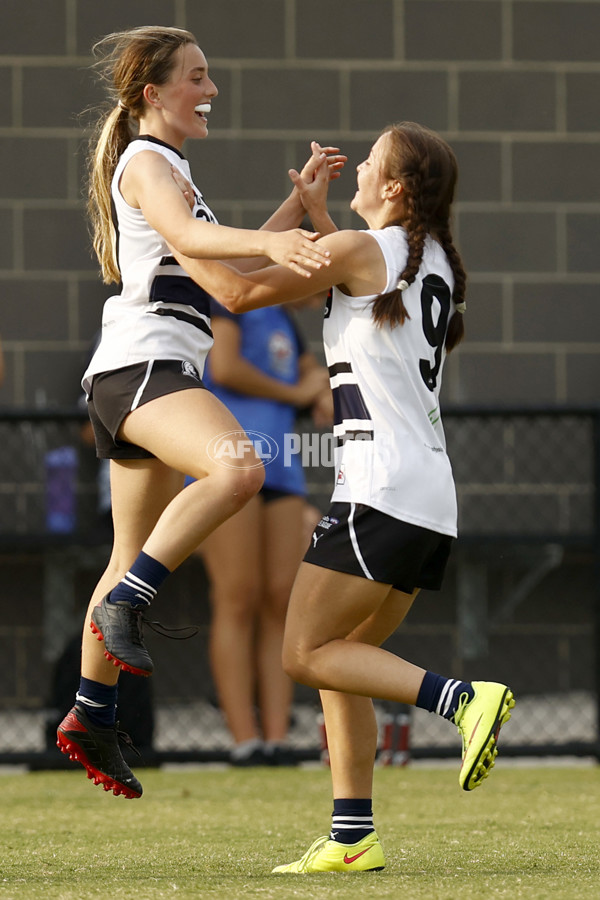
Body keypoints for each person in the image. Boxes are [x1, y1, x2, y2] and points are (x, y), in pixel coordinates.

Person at [169, 121, 516, 873]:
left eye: (371, 160)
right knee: (343, 657)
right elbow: (361, 287)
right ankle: (353, 835)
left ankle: (461, 700)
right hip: (428, 497)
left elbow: (238, 290)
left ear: (394, 188)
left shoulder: (366, 251)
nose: (357, 164)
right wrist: (317, 217)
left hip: (378, 489)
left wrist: (177, 231)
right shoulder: (430, 264)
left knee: (305, 652)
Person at [55, 25, 344, 800]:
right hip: (142, 368)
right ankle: (131, 603)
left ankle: (89, 712)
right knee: (239, 467)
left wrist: (295, 208)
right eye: (198, 77)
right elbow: (193, 239)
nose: (211, 90)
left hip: (136, 374)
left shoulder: (172, 166)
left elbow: (232, 270)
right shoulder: (148, 162)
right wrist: (275, 244)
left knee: (126, 553)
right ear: (154, 93)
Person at [196, 299, 331, 766]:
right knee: (238, 595)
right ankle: (243, 740)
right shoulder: (229, 303)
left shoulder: (287, 323)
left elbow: (317, 378)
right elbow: (226, 367)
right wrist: (295, 393)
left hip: (284, 473)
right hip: (230, 465)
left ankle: (276, 740)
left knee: (280, 599)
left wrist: (319, 391)